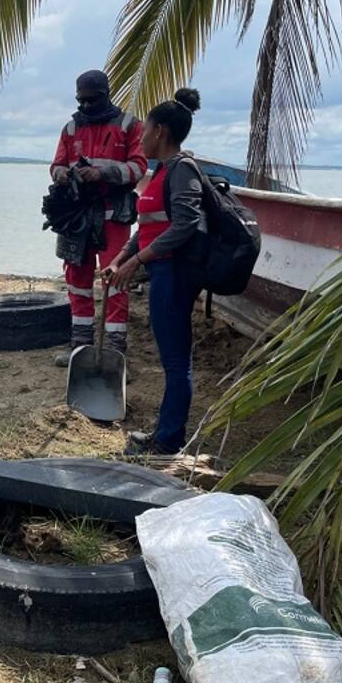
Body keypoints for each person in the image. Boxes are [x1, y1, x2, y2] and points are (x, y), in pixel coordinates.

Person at [104, 87, 204, 455]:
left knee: (176, 362)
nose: (140, 137)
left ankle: (168, 441)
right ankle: (165, 432)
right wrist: (120, 258)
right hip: (161, 272)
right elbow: (147, 228)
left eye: (144, 130)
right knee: (170, 359)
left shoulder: (182, 170)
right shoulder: (160, 172)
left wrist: (137, 261)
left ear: (160, 131)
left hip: (174, 273)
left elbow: (185, 225)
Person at [49, 70, 147, 366]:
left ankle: (114, 351)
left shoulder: (129, 125)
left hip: (113, 215)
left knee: (115, 279)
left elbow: (139, 167)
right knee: (76, 280)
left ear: (106, 95)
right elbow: (56, 165)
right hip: (77, 216)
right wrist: (63, 174)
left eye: (92, 100)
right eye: (81, 101)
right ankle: (80, 346)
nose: (86, 106)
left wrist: (102, 173)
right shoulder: (70, 129)